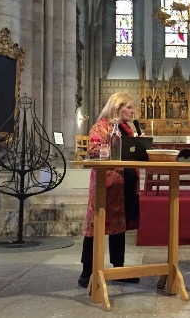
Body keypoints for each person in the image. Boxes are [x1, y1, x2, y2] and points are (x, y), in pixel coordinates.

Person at [78, 92, 141, 288]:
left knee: (119, 227)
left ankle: (118, 269)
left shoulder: (127, 129)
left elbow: (131, 154)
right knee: (95, 226)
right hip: (106, 186)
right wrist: (118, 148)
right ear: (117, 107)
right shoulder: (101, 126)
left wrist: (139, 146)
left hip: (123, 185)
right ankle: (87, 271)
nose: (133, 112)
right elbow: (93, 150)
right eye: (129, 107)